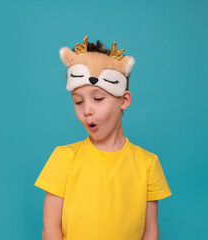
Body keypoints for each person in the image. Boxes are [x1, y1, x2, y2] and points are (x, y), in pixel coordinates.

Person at [34, 36, 172, 240]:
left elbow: (150, 231)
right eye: (78, 102)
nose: (87, 110)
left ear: (124, 101)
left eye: (98, 98)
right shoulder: (63, 158)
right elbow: (50, 229)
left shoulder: (148, 163)